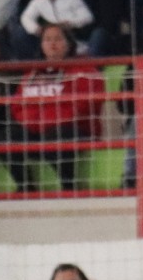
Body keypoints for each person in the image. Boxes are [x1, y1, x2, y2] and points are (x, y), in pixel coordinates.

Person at [10, 21, 99, 192]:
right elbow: (17, 106)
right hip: (36, 131)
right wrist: (37, 124)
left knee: (58, 135)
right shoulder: (32, 72)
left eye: (58, 39)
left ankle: (68, 186)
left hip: (73, 131)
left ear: (69, 43)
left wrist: (43, 121)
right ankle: (25, 186)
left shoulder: (84, 69)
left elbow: (81, 107)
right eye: (47, 39)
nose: (52, 44)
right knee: (7, 136)